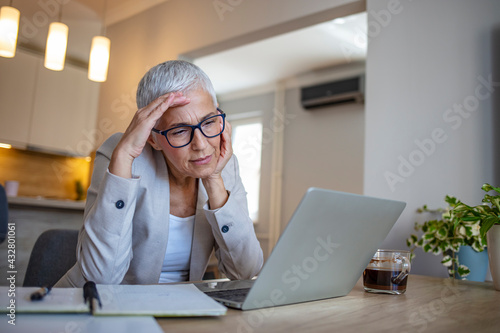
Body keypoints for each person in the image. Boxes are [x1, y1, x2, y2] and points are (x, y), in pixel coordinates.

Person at [55, 60, 263, 287]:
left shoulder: (224, 163)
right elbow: (99, 278)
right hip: (103, 307)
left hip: (180, 311)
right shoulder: (124, 155)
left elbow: (246, 270)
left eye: (209, 122)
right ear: (152, 138)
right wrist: (123, 157)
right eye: (180, 131)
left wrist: (213, 178)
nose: (201, 144)